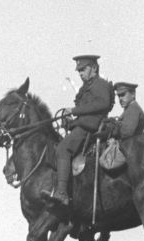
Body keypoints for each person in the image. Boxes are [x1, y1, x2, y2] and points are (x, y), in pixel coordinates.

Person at [43, 55, 114, 207]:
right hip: (82, 125)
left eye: (83, 70)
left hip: (90, 127)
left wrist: (74, 110)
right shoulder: (86, 87)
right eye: (79, 71)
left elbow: (103, 103)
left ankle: (61, 192)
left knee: (63, 148)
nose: (80, 74)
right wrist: (70, 121)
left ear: (94, 68)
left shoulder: (100, 84)